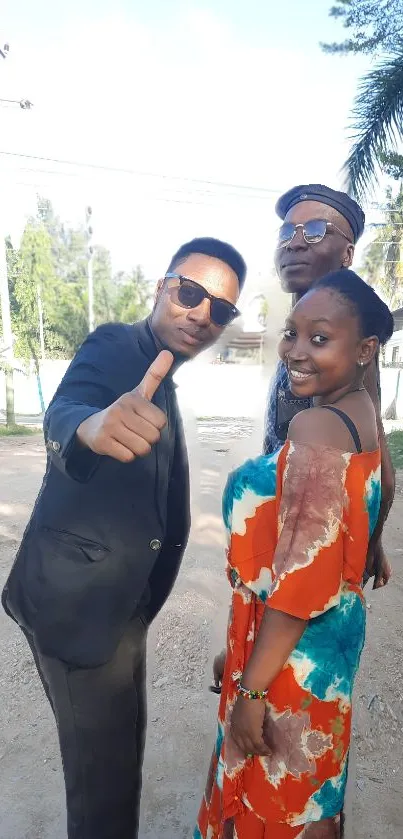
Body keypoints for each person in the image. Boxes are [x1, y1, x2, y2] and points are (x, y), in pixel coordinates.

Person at [2, 236, 247, 839]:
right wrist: (89, 428)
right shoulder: (116, 344)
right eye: (190, 293)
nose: (202, 315)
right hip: (77, 611)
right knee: (101, 792)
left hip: (120, 611)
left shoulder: (164, 372)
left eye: (221, 309)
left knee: (120, 758)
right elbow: (72, 406)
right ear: (161, 288)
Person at [195, 269, 394, 839]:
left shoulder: (316, 426)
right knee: (311, 791)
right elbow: (381, 475)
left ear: (364, 349)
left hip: (291, 651)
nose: (296, 351)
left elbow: (299, 585)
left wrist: (251, 688)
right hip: (325, 643)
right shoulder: (362, 408)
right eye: (291, 333)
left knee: (272, 796)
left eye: (319, 338)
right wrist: (370, 542)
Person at [263, 184, 394, 590]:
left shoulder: (344, 345)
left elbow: (379, 466)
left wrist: (371, 540)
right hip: (278, 530)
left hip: (303, 552)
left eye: (315, 230)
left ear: (348, 254)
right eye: (287, 232)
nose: (295, 243)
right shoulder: (307, 330)